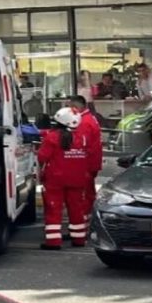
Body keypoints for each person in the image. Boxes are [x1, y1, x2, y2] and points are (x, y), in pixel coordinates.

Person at [37, 107, 91, 250]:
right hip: (77, 179)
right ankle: (79, 239)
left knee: (53, 209)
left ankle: (53, 242)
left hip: (55, 179)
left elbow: (42, 156)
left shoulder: (52, 137)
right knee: (77, 208)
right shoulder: (82, 137)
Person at [68, 95, 103, 222]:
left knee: (85, 192)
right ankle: (88, 216)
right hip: (91, 161)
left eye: (70, 107)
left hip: (86, 163)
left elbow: (81, 144)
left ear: (76, 107)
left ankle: (85, 217)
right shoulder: (89, 118)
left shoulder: (84, 122)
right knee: (89, 190)